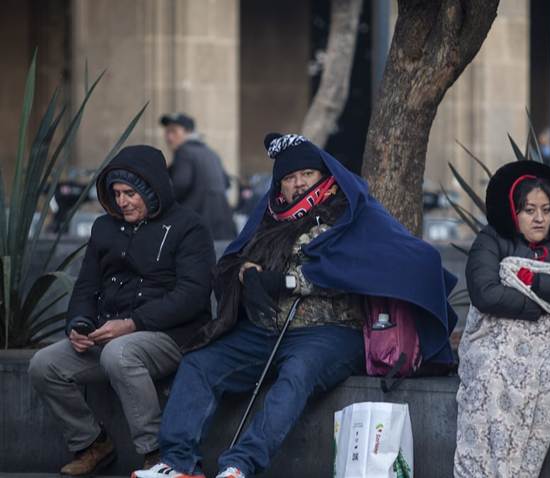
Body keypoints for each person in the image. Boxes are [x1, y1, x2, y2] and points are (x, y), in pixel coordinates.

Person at [134, 133, 458, 478]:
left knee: (297, 374)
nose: (298, 183)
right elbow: (236, 260)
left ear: (326, 179)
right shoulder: (271, 218)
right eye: (289, 178)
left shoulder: (353, 216)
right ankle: (178, 463)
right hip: (266, 329)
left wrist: (289, 281)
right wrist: (247, 275)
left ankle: (240, 465)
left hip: (333, 332)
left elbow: (371, 267)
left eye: (307, 174)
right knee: (201, 363)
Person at [28, 145, 215, 476]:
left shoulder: (190, 227)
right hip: (111, 333)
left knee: (119, 354)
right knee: (45, 364)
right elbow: (86, 285)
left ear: (152, 189)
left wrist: (133, 323)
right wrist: (79, 324)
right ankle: (92, 444)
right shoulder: (104, 227)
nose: (122, 201)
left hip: (172, 336)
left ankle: (157, 456)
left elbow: (193, 295)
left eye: (130, 193)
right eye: (116, 193)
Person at [454, 161, 550, 477]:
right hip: (496, 335)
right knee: (491, 373)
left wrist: (534, 282)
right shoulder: (491, 238)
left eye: (545, 210)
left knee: (548, 377)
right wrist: (537, 306)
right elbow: (485, 294)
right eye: (529, 210)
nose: (539, 218)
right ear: (514, 211)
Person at [160, 112, 237, 240]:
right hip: (223, 229)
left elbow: (180, 185)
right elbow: (227, 183)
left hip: (197, 230)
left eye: (174, 132)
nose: (169, 137)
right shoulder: (210, 153)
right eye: (167, 132)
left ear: (188, 132)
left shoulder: (184, 152)